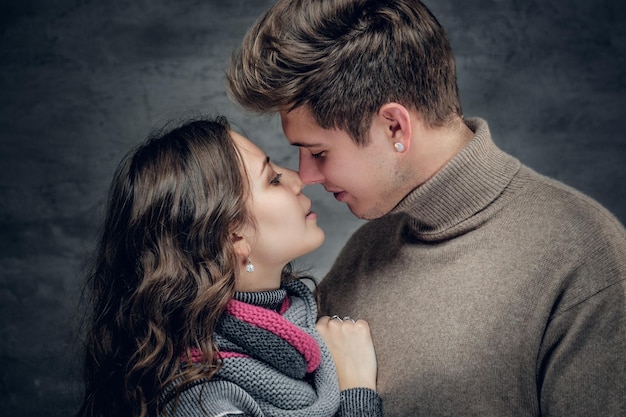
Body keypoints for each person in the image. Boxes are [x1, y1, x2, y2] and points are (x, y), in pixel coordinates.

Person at [225, 0, 626, 416]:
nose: (305, 175)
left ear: (395, 126)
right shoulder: (362, 256)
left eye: (319, 152)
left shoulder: (585, 258)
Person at [76, 116, 382, 417]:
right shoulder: (205, 402)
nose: (298, 179)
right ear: (233, 236)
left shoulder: (302, 319)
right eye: (273, 179)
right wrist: (355, 393)